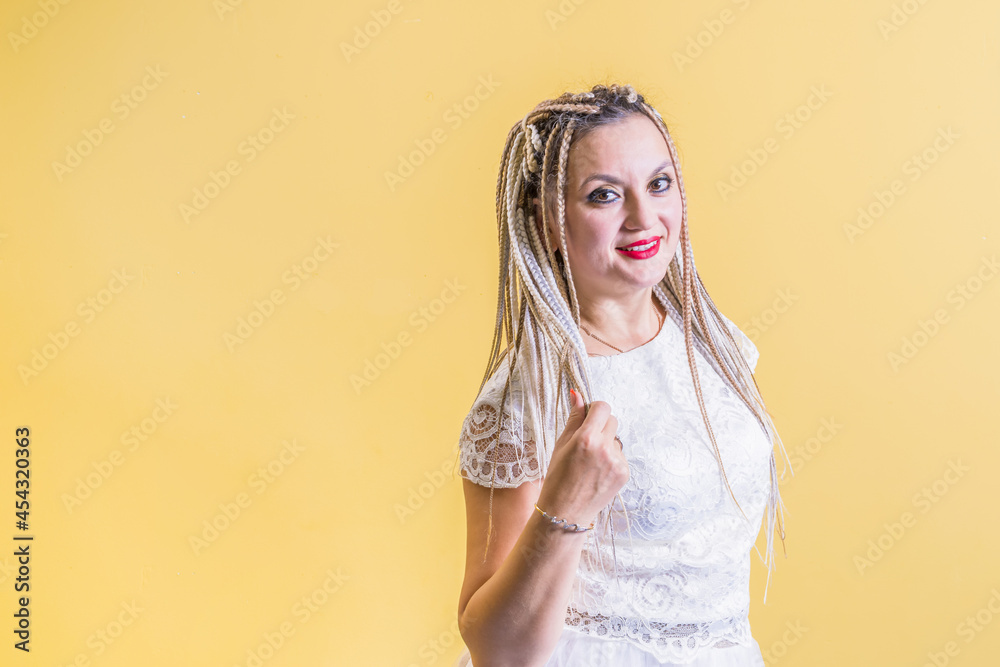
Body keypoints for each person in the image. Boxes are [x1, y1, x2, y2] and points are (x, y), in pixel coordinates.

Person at [452, 83, 791, 666]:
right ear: (550, 224)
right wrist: (565, 509)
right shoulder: (524, 396)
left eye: (658, 184)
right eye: (604, 195)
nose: (643, 217)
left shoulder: (716, 341)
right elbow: (495, 651)